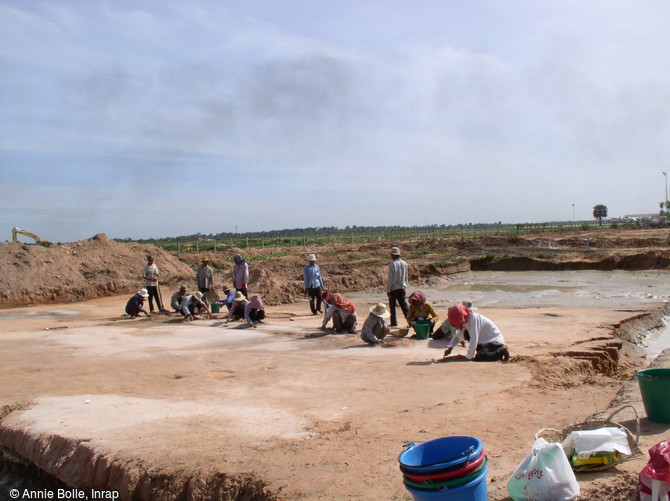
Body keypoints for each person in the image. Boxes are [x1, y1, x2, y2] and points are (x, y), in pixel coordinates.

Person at [442, 304, 510, 362]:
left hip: (494, 341)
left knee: (480, 357)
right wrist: (450, 348)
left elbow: (474, 338)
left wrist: (468, 357)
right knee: (466, 334)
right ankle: (487, 351)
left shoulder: (474, 319)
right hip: (484, 341)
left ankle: (501, 350)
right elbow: (458, 336)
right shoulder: (465, 321)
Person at [386, 246, 409, 327]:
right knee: (404, 305)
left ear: (393, 255)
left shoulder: (392, 264)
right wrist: (405, 287)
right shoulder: (405, 264)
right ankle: (410, 321)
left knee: (392, 307)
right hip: (402, 287)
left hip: (394, 288)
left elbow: (390, 279)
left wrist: (388, 290)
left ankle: (394, 323)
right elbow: (406, 277)